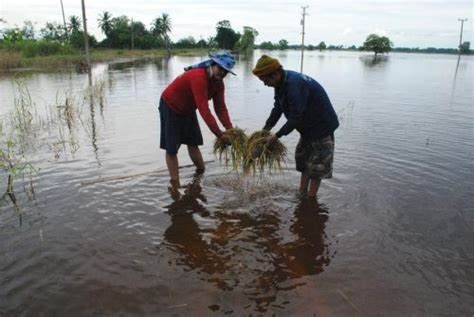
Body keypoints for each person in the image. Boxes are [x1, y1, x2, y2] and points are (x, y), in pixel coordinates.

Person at [252, 55, 339, 198]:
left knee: (317, 168)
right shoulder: (280, 84)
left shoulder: (295, 84)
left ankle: (310, 200)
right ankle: (301, 194)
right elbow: (277, 109)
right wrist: (265, 130)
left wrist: (276, 136)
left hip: (322, 128)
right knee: (304, 162)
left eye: (265, 80)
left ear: (274, 74)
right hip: (307, 129)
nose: (265, 84)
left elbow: (295, 118)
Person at [159, 51, 236, 190]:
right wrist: (220, 134)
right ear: (213, 64)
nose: (222, 74)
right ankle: (175, 184)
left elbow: (220, 108)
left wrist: (231, 130)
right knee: (172, 148)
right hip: (171, 105)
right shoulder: (198, 77)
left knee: (193, 142)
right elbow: (204, 110)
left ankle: (201, 172)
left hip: (188, 108)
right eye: (220, 69)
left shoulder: (219, 84)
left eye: (226, 72)